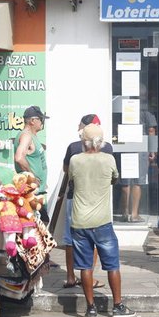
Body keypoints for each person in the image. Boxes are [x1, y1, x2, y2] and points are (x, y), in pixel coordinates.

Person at [67, 123, 135, 317]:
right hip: (102, 221)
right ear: (100, 142)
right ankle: (117, 305)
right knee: (112, 265)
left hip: (79, 221)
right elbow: (114, 179)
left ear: (83, 141)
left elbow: (72, 181)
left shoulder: (75, 160)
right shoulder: (108, 159)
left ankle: (90, 308)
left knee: (85, 267)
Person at [61, 114, 112, 289]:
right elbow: (113, 177)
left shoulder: (73, 148)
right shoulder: (108, 150)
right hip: (98, 201)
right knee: (96, 239)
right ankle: (88, 277)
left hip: (74, 198)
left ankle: (69, 276)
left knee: (69, 239)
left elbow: (66, 171)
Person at [118, 109, 156, 223]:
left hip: (124, 146)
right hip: (140, 146)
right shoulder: (147, 113)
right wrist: (152, 150)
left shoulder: (123, 110)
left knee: (125, 181)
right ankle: (134, 214)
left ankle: (125, 213)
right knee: (137, 181)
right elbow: (151, 130)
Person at [14, 106, 49, 203]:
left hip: (37, 191)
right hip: (31, 192)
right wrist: (32, 178)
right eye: (41, 119)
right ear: (33, 120)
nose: (42, 122)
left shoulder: (31, 136)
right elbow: (19, 158)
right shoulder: (26, 136)